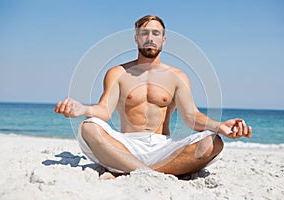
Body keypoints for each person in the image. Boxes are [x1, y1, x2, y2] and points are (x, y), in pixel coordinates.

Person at [55, 15, 252, 179]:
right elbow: (104, 110)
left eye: (156, 33)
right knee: (89, 127)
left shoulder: (177, 76)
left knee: (214, 142)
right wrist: (82, 109)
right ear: (136, 38)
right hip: (126, 145)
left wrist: (220, 126)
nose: (150, 38)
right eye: (144, 33)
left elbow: (192, 117)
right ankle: (152, 172)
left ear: (163, 39)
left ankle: (131, 171)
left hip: (163, 147)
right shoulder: (117, 73)